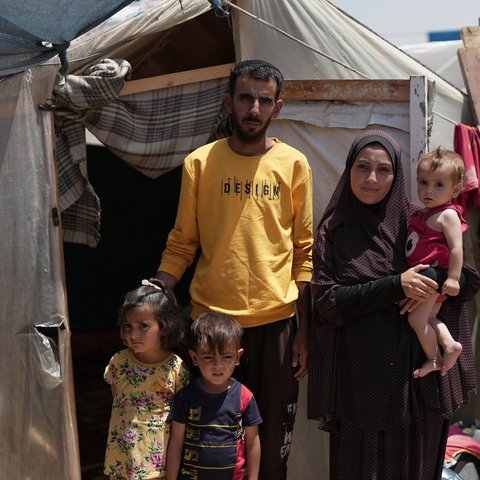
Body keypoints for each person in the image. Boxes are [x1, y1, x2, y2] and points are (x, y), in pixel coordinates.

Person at [155, 59, 313, 479]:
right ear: (229, 102)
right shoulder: (200, 163)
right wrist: (160, 285)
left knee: (272, 437)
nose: (254, 109)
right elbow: (183, 240)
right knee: (206, 440)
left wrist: (304, 329)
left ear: (277, 107)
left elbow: (304, 251)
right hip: (210, 324)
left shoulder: (294, 164)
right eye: (245, 97)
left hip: (276, 323)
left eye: (264, 100)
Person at [308, 129, 480, 479]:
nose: (372, 178)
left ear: (398, 173)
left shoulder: (422, 218)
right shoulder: (335, 230)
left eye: (384, 169)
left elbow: (467, 283)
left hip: (415, 386)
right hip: (359, 386)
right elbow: (327, 302)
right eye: (362, 166)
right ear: (348, 169)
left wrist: (431, 278)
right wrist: (396, 284)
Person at [103, 278, 190, 480]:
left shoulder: (175, 368)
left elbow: (181, 421)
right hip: (122, 461)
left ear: (164, 327)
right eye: (128, 326)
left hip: (158, 467)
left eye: (143, 326)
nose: (133, 334)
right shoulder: (119, 362)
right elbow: (118, 402)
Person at [166, 312, 262, 480]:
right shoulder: (185, 397)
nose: (218, 366)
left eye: (227, 357)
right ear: (195, 357)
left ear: (238, 357)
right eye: (209, 357)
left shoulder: (245, 397)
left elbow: (253, 442)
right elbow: (176, 442)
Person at [406, 147, 468, 378]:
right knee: (430, 317)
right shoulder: (425, 212)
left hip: (435, 277)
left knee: (416, 318)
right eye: (423, 182)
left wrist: (453, 277)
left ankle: (433, 359)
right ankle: (449, 344)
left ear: (456, 189)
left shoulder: (448, 214)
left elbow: (456, 247)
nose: (428, 190)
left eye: (438, 185)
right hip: (427, 278)